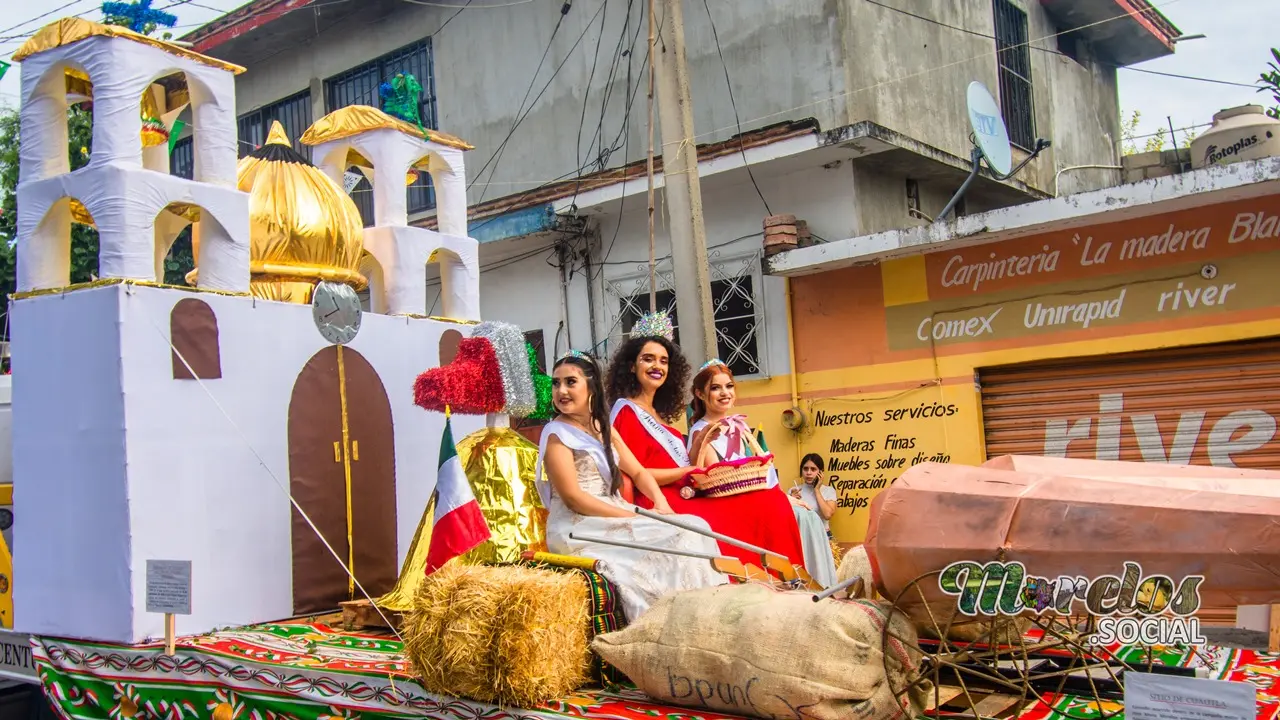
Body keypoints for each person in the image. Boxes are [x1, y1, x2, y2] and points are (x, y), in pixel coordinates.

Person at [536, 350, 727, 622]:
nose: (561, 391)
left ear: (591, 386)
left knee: (696, 526)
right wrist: (632, 515)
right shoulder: (556, 433)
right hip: (578, 525)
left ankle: (704, 613)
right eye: (556, 383)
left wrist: (661, 505)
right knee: (677, 536)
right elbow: (573, 498)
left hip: (611, 511)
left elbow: (638, 472)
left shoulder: (601, 426)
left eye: (570, 382)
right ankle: (669, 619)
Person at [606, 312, 804, 569]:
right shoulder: (626, 411)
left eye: (664, 361)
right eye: (648, 359)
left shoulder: (658, 416)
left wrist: (698, 446)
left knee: (771, 500)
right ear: (632, 366)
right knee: (765, 504)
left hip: (687, 492)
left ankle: (785, 575)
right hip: (662, 499)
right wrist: (687, 471)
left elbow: (684, 464)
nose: (657, 366)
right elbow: (634, 473)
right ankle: (765, 575)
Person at [687, 360, 837, 588]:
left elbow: (757, 472)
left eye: (729, 386)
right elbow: (717, 478)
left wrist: (783, 496)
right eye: (716, 388)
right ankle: (792, 578)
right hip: (728, 500)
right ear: (700, 394)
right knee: (798, 516)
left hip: (751, 493)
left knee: (808, 515)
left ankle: (817, 583)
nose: (725, 393)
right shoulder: (702, 431)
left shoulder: (737, 427)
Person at [790, 453, 837, 535]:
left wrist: (817, 490)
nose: (809, 473)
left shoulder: (829, 491)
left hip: (822, 534)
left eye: (813, 469)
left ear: (821, 472)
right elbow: (786, 518)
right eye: (805, 469)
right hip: (802, 535)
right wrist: (791, 500)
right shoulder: (794, 491)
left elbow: (827, 515)